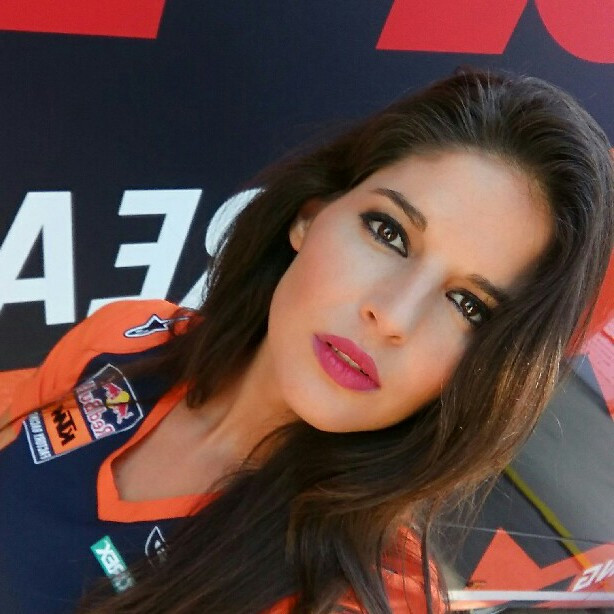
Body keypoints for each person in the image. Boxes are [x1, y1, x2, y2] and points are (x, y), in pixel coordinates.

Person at [0, 68, 612, 614]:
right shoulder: (129, 337)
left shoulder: (363, 593)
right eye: (389, 233)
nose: (393, 316)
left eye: (468, 305)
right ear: (310, 216)